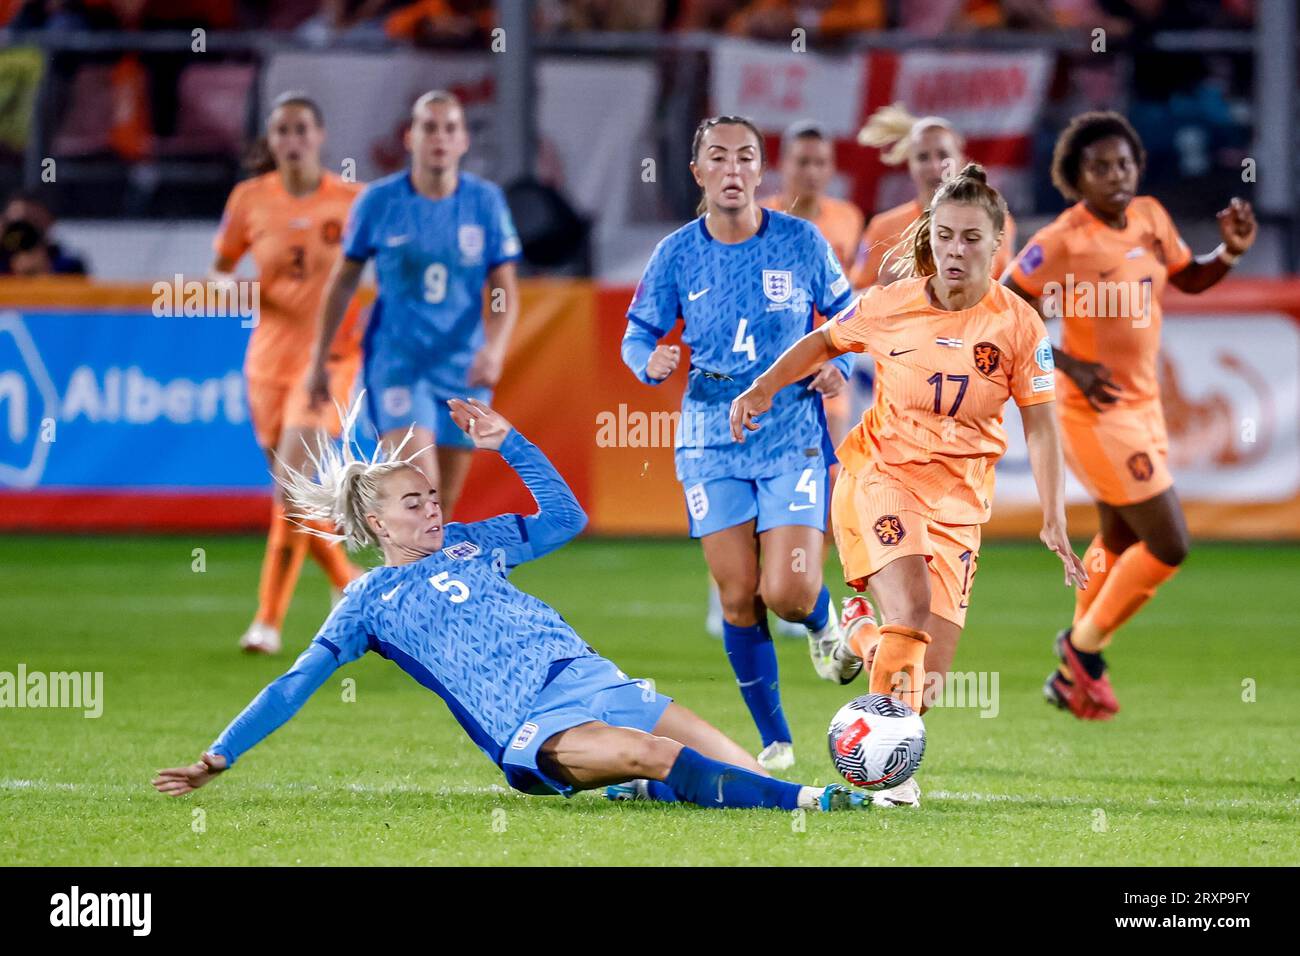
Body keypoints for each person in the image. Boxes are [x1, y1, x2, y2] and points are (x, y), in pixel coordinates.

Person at [151, 396, 872, 814]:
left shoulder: (473, 541)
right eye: (413, 502)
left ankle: (651, 793)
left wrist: (512, 444)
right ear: (376, 523)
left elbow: (565, 519)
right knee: (663, 757)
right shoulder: (368, 601)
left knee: (743, 773)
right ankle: (817, 803)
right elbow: (293, 684)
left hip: (597, 680)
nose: (431, 510)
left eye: (432, 496)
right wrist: (219, 755)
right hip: (531, 723)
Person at [731, 163, 1088, 807]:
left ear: (998, 243)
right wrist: (762, 388)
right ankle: (881, 781)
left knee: (922, 683)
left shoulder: (1018, 327)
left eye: (973, 238)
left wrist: (1053, 515)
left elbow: (1040, 426)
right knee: (913, 608)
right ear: (932, 235)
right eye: (946, 235)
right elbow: (821, 343)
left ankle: (858, 633)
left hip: (959, 503)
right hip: (881, 476)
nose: (957, 250)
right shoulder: (891, 304)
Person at [1003, 111, 1256, 720]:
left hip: (1144, 407)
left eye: (1122, 164)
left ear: (1137, 168)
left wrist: (1230, 252)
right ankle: (1082, 649)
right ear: (1075, 177)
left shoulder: (1150, 217)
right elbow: (1007, 307)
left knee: (1118, 538)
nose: (1114, 175)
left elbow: (1189, 278)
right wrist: (1069, 365)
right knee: (1169, 542)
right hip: (1093, 413)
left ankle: (1071, 676)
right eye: (1098, 167)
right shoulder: (1062, 239)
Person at [622, 115, 855, 771]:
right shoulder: (675, 253)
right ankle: (776, 739)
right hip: (708, 438)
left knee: (787, 590)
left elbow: (852, 320)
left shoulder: (803, 243)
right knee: (737, 595)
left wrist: (841, 362)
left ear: (761, 171)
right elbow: (637, 333)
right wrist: (649, 362)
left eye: (745, 157)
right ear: (698, 172)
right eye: (717, 158)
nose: (731, 169)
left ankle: (822, 624)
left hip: (790, 433)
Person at [307, 89, 520, 523]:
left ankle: (416, 587)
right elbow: (344, 280)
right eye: (429, 127)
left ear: (463, 141)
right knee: (418, 491)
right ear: (410, 137)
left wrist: (494, 350)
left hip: (461, 367)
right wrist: (319, 361)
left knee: (440, 511)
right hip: (398, 363)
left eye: (450, 128)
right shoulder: (379, 202)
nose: (439, 137)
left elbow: (504, 290)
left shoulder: (484, 203)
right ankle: (386, 586)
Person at [211, 92, 363, 655]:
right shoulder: (250, 198)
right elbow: (222, 266)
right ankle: (344, 583)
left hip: (331, 360)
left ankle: (271, 619)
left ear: (319, 136)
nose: (292, 139)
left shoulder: (352, 201)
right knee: (292, 492)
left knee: (291, 483)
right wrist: (228, 289)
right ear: (271, 141)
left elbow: (385, 260)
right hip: (267, 361)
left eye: (302, 128)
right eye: (282, 131)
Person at [850, 103, 1017, 289]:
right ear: (910, 165)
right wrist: (886, 286)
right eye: (923, 157)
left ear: (960, 159)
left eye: (943, 155)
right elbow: (856, 294)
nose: (934, 166)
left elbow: (1006, 292)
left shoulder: (997, 222)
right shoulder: (882, 228)